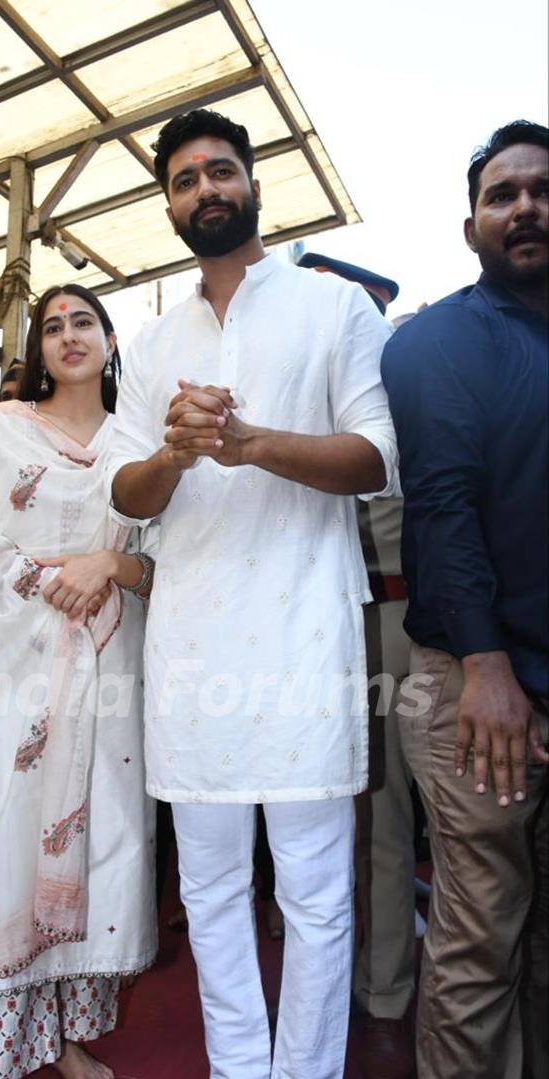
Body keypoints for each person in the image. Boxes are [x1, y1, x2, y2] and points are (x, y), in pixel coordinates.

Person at [107, 108, 398, 1078]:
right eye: (185, 181)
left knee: (315, 890)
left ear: (255, 182)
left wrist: (251, 442)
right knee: (213, 885)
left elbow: (374, 458)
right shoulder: (150, 347)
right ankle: (239, 1068)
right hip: (191, 651)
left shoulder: (334, 309)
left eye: (219, 171)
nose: (205, 191)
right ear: (170, 204)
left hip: (307, 637)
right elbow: (122, 492)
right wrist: (178, 453)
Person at [0, 283, 157, 1079]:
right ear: (37, 349)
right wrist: (41, 582)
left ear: (111, 340)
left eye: (84, 321)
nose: (69, 336)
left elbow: (163, 563)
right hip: (3, 679)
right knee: (3, 848)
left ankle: (69, 1043)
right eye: (53, 326)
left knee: (95, 846)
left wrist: (110, 565)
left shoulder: (136, 445)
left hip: (105, 676)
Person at [381, 120, 549, 1079]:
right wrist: (487, 667)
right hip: (475, 685)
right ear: (471, 225)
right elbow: (441, 509)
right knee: (482, 937)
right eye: (502, 194)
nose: (524, 206)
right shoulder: (437, 341)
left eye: (541, 189)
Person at [300, 254, 418, 1078]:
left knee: (383, 818)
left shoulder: (406, 400)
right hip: (320, 626)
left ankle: (380, 986)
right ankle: (347, 979)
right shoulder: (306, 406)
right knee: (333, 816)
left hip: (397, 619)